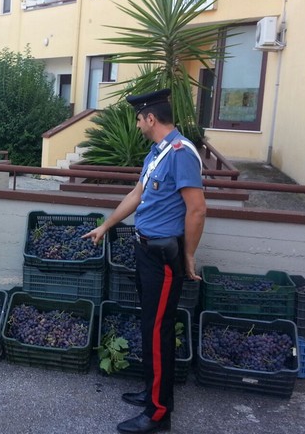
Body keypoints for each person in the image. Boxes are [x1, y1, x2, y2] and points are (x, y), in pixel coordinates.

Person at [83, 89, 206, 434]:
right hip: (146, 249)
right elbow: (137, 194)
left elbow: (197, 209)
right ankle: (154, 393)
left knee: (157, 330)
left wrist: (189, 255)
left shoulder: (181, 154)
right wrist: (107, 225)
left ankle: (158, 414)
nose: (137, 124)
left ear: (151, 118)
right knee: (150, 326)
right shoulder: (158, 152)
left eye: (139, 118)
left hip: (165, 256)